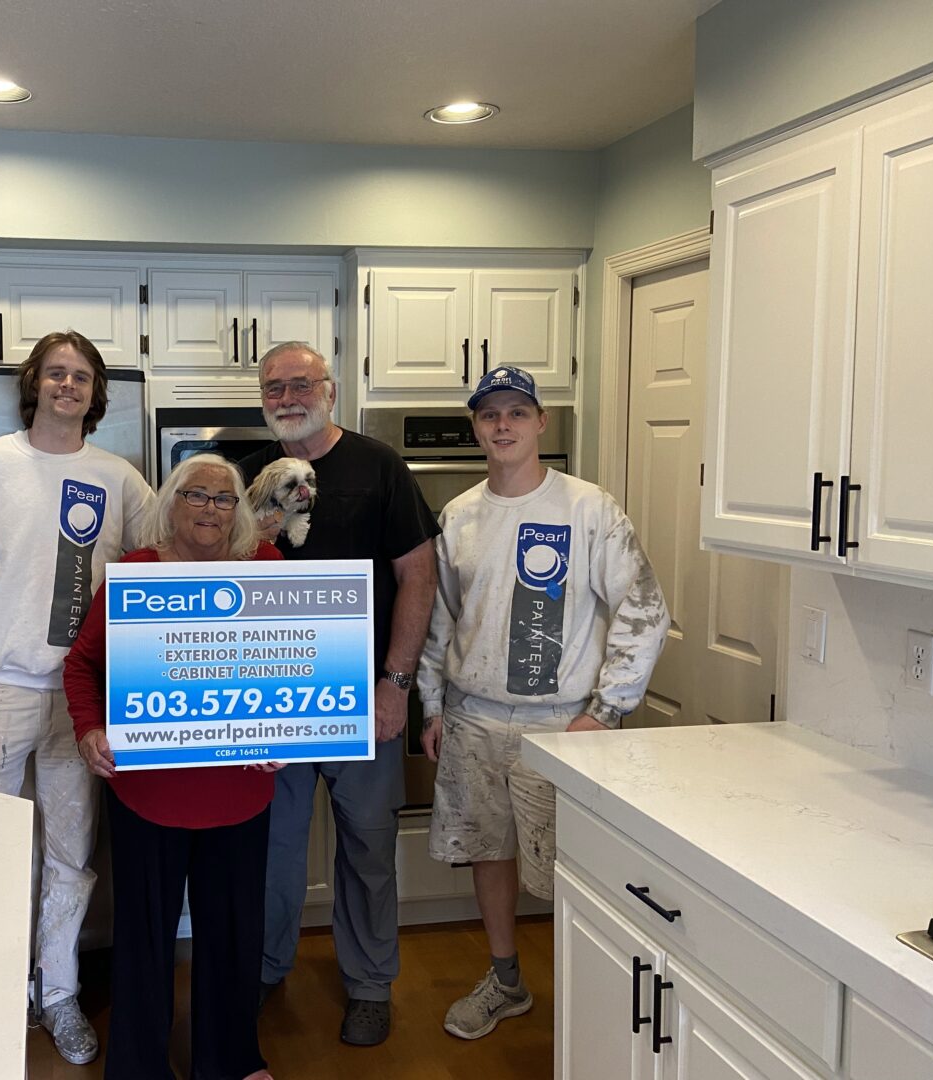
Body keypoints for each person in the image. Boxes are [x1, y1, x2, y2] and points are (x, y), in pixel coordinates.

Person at [0, 330, 154, 1066]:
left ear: (94, 394)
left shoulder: (118, 478)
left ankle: (59, 994)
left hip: (83, 699)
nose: (67, 385)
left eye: (80, 376)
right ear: (34, 385)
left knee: (71, 854)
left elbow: (158, 559)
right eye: (55, 374)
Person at [417, 365, 668, 1041]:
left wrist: (607, 710)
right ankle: (506, 980)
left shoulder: (588, 510)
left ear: (540, 424)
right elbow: (440, 619)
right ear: (476, 426)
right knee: (491, 853)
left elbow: (643, 609)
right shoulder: (460, 516)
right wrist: (433, 705)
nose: (503, 425)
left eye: (516, 413)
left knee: (576, 867)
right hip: (474, 717)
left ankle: (591, 995)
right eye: (490, 414)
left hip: (565, 724)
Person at [239, 342, 439, 1047]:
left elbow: (418, 576)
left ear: (328, 388)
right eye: (274, 386)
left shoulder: (377, 465)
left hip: (363, 697)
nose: (287, 396)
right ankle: (263, 969)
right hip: (270, 699)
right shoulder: (246, 476)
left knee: (366, 845)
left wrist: (395, 687)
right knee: (271, 848)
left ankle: (369, 984)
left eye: (301, 383)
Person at [64, 454, 282, 1080]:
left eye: (223, 498)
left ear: (238, 510)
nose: (210, 509)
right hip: (148, 792)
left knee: (233, 937)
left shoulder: (266, 568)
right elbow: (81, 665)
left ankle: (232, 1061)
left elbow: (299, 666)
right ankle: (137, 1066)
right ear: (170, 504)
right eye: (196, 495)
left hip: (241, 789)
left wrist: (291, 731)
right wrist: (88, 729)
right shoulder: (135, 574)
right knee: (144, 937)